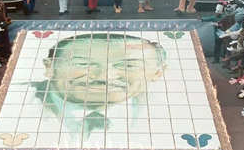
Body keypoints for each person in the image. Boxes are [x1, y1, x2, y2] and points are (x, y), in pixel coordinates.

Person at [24, 33, 167, 142]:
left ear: (157, 72)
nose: (104, 77)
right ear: (50, 67)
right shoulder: (21, 100)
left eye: (128, 65)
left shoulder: (165, 113)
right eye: (83, 64)